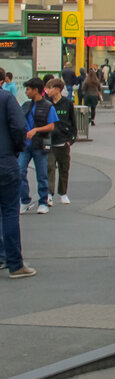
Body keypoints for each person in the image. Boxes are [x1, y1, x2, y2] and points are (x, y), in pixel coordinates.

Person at [0, 67, 35, 278]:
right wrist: (17, 149)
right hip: (4, 162)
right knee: (10, 213)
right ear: (3, 80)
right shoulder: (6, 99)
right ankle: (15, 264)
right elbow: (19, 127)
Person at [19, 77, 57, 214]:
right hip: (25, 145)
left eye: (28, 89)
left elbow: (52, 126)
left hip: (40, 144)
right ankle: (25, 199)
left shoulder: (48, 106)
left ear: (36, 90)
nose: (26, 92)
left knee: (42, 175)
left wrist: (36, 130)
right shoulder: (26, 105)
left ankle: (43, 201)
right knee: (19, 171)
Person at [44, 77, 74, 205]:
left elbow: (73, 122)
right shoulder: (46, 103)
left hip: (63, 141)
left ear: (57, 90)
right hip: (49, 141)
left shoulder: (67, 103)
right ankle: (49, 194)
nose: (46, 91)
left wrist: (70, 140)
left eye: (49, 88)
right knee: (49, 167)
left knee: (64, 168)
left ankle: (63, 193)